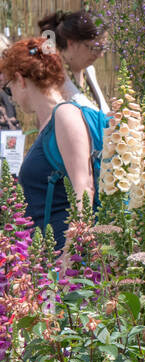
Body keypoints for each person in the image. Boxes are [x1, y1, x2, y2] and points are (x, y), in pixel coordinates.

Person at [0, 37, 109, 249]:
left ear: (20, 79)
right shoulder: (49, 124)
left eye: (8, 87)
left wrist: (70, 257)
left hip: (66, 262)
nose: (10, 95)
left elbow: (84, 189)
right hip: (48, 258)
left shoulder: (66, 115)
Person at [37, 10, 109, 115]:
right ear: (71, 42)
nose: (100, 55)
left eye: (103, 48)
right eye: (95, 48)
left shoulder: (89, 71)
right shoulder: (53, 77)